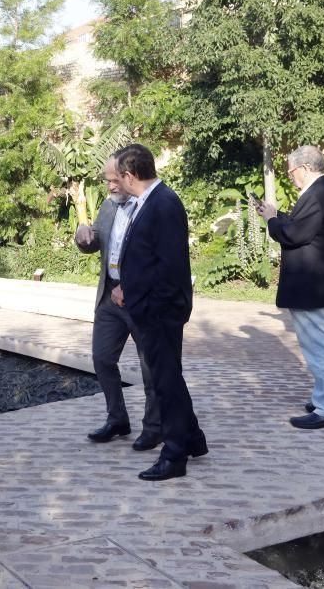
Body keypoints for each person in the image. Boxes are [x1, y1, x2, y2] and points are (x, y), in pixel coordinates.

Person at [111, 143, 207, 481]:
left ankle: (175, 454)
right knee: (169, 378)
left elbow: (169, 266)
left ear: (130, 175)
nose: (116, 182)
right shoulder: (148, 202)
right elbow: (146, 258)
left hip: (160, 311)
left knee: (166, 382)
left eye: (118, 176)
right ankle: (193, 439)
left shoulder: (163, 203)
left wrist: (146, 303)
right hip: (151, 307)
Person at [257, 146, 324, 429]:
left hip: (313, 285)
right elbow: (308, 229)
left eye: (291, 171)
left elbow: (295, 234)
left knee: (320, 347)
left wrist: (272, 220)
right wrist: (279, 216)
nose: (291, 176)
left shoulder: (318, 194)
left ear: (304, 168)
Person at [75, 156, 161, 451]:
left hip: (139, 299)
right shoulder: (109, 205)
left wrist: (131, 287)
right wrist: (83, 235)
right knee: (101, 358)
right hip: (109, 296)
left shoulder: (150, 205)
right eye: (107, 180)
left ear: (130, 176)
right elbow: (96, 240)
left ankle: (154, 427)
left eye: (114, 180)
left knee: (149, 367)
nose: (110, 186)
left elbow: (156, 259)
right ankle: (117, 419)